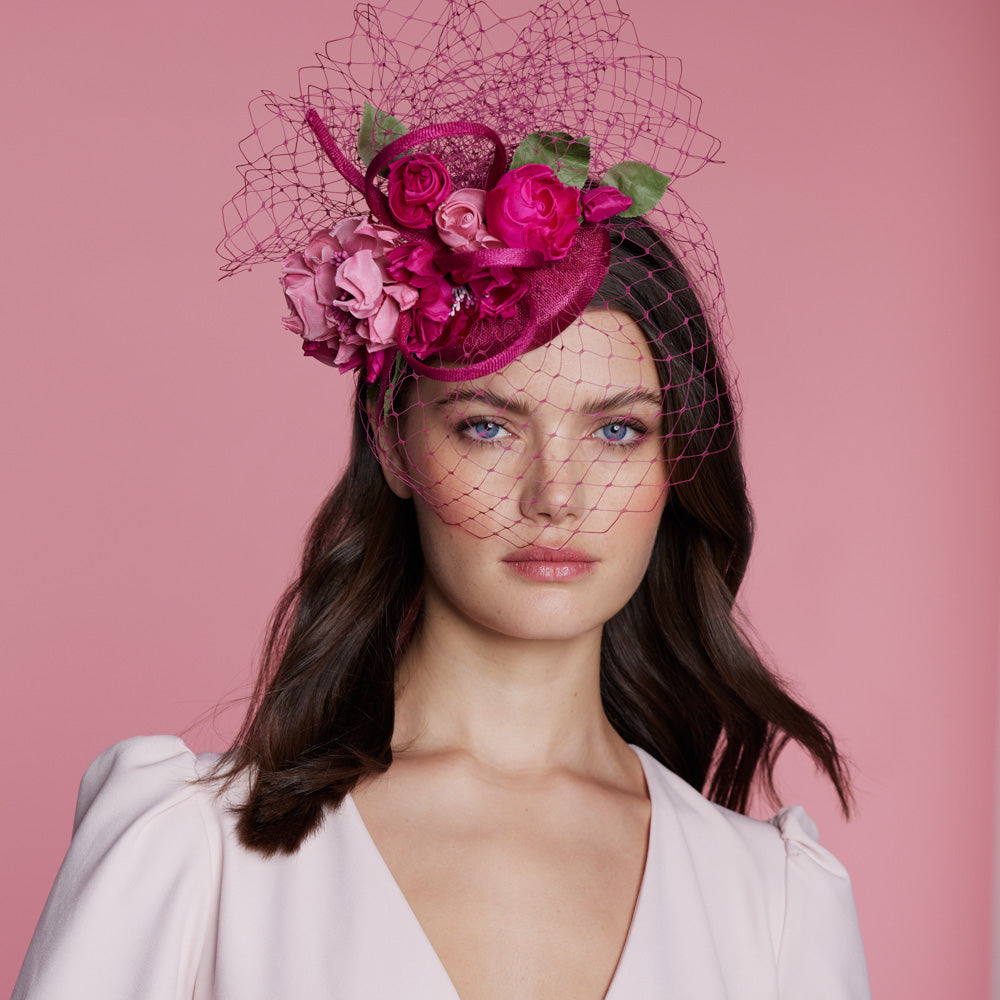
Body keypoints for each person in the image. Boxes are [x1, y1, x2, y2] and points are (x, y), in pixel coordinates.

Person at [12, 1, 870, 997]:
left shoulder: (771, 900)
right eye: (489, 426)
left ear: (677, 462)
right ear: (392, 437)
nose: (559, 496)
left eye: (618, 429)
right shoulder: (193, 852)